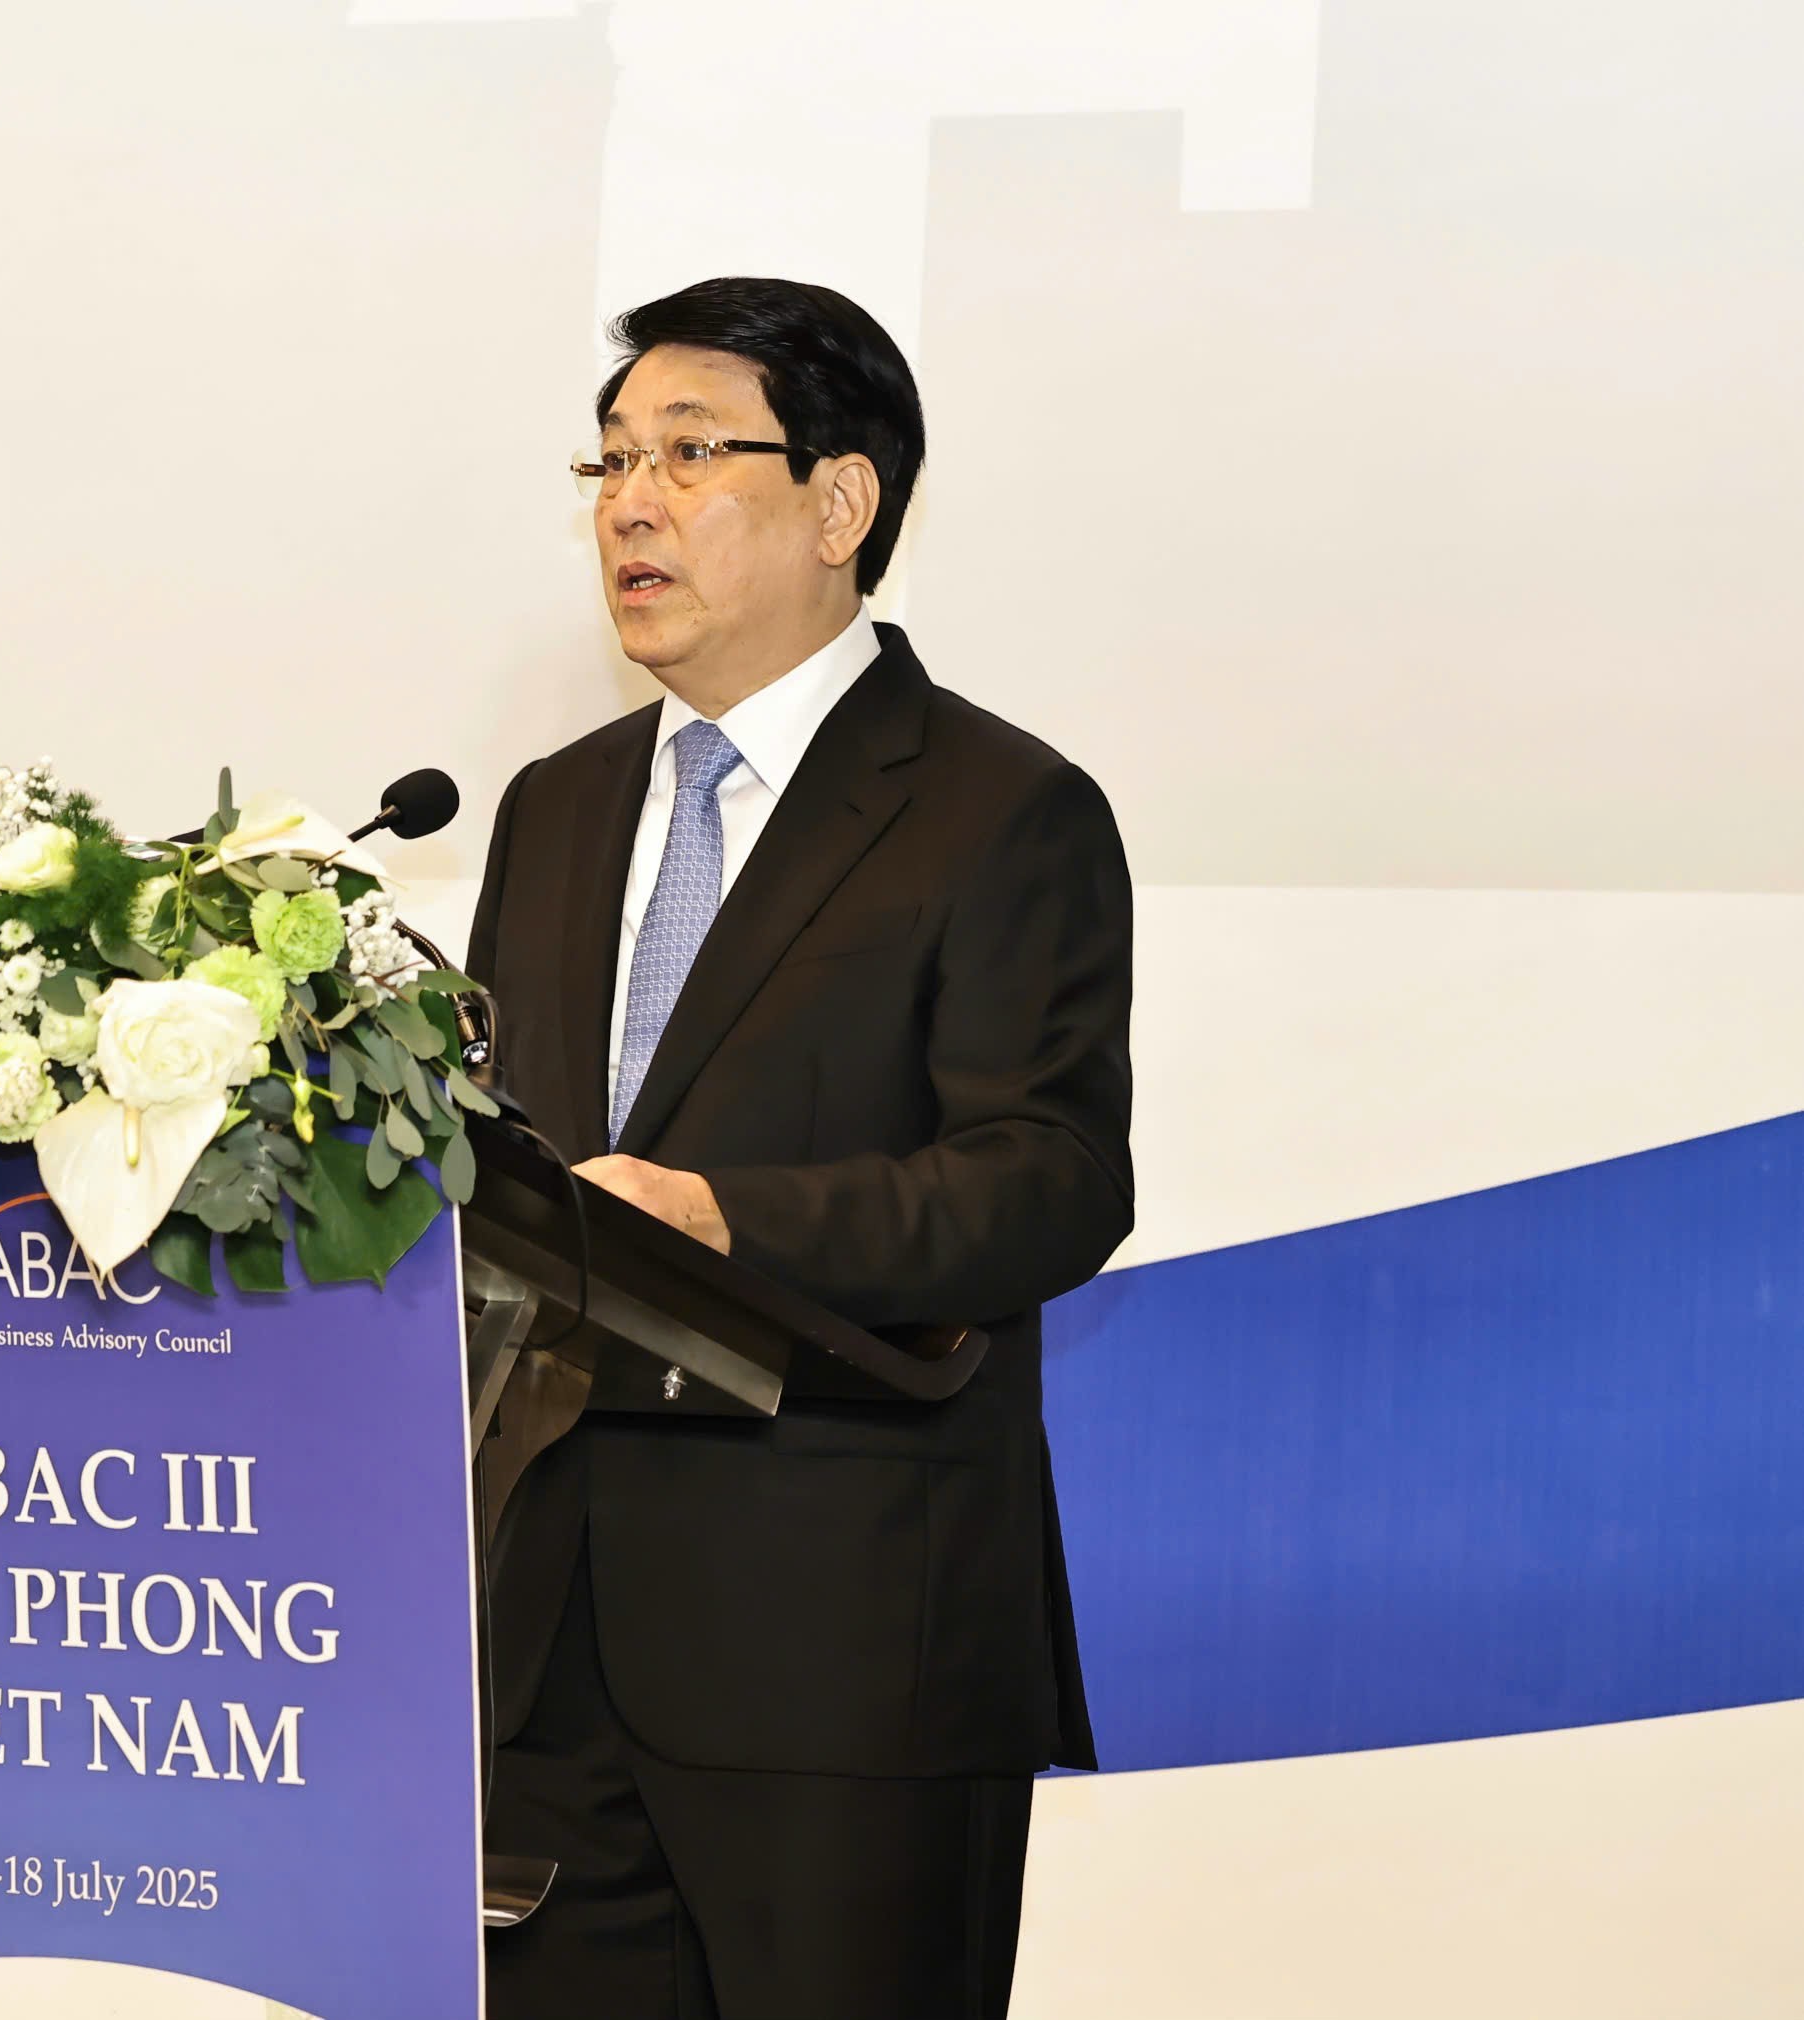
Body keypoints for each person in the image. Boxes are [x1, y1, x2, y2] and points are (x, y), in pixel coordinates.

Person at [467, 276, 1135, 2020]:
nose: (631, 503)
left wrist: (717, 1220)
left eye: (690, 454)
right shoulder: (553, 806)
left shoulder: (998, 809)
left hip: (844, 1659)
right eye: (612, 459)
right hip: (544, 1656)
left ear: (839, 504)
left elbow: (1050, 1179)